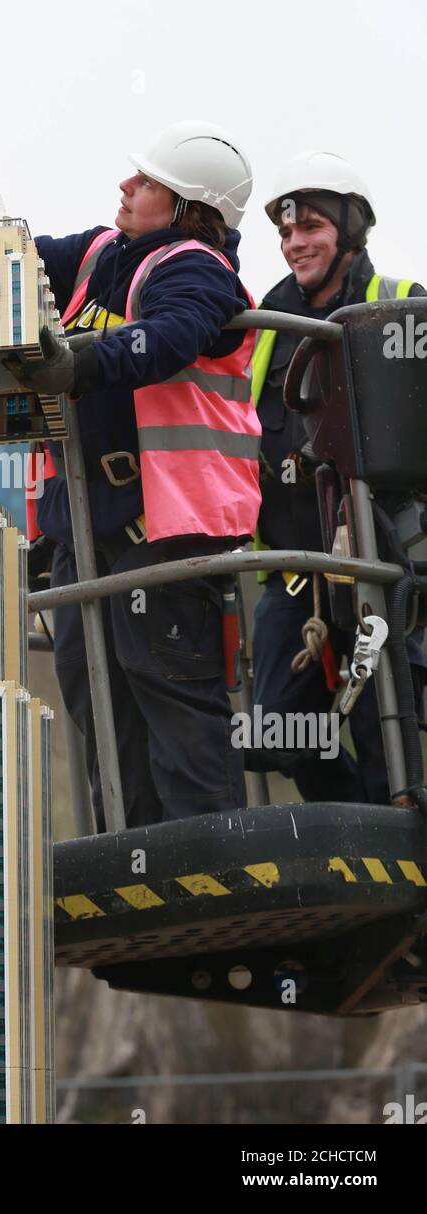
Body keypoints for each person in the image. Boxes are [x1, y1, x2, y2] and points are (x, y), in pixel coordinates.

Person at [10, 120, 261, 830]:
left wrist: (78, 361)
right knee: (96, 703)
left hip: (162, 529)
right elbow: (9, 256)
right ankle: (136, 869)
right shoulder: (98, 252)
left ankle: (209, 879)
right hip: (80, 530)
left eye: (146, 181)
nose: (125, 186)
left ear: (189, 210)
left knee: (175, 706)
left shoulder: (196, 267)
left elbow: (173, 334)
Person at [251, 151, 427, 803]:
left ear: (352, 228)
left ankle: (399, 868)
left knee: (389, 733)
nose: (296, 243)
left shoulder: (404, 306)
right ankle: (352, 832)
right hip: (293, 572)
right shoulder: (265, 325)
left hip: (379, 559)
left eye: (313, 227)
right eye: (287, 232)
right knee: (278, 732)